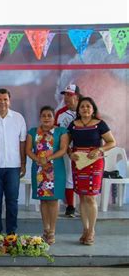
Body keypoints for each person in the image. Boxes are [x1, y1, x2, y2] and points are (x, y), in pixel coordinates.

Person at [67, 97, 116, 245]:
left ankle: (92, 230)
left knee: (90, 197)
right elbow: (65, 145)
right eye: (82, 107)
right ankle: (85, 229)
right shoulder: (73, 125)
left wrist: (99, 149)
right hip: (78, 163)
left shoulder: (100, 124)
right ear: (78, 109)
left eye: (88, 106)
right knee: (82, 197)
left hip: (95, 162)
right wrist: (70, 154)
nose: (85, 109)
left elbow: (112, 142)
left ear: (93, 109)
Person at [0, 88, 27, 235]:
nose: (2, 102)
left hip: (13, 166)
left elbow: (22, 142)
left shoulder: (18, 118)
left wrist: (23, 163)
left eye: (5, 99)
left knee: (12, 200)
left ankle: (11, 232)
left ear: (10, 101)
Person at [26, 106, 69, 245]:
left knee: (53, 200)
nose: (46, 118)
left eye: (49, 115)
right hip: (39, 170)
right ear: (40, 117)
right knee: (43, 200)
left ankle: (52, 231)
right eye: (43, 115)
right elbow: (28, 150)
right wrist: (38, 159)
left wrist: (48, 159)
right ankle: (45, 229)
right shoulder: (33, 132)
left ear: (53, 117)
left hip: (55, 170)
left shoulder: (61, 131)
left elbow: (63, 150)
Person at [55, 84, 83, 218]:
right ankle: (70, 206)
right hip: (67, 149)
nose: (66, 97)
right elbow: (58, 133)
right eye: (65, 94)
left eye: (69, 95)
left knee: (84, 176)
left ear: (77, 96)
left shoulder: (86, 109)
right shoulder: (60, 113)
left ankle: (84, 205)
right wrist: (67, 150)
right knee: (69, 176)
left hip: (85, 149)